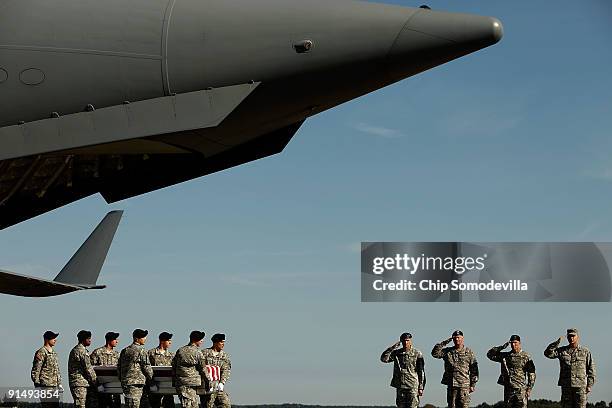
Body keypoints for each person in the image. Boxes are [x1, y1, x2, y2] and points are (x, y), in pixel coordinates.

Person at [544, 328, 596, 408]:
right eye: (569, 336)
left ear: (577, 337)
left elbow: (591, 369)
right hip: (566, 386)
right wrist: (556, 343)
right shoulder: (562, 351)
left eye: (573, 336)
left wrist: (589, 385)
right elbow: (547, 354)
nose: (571, 338)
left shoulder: (585, 351)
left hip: (580, 387)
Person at [431, 330, 478, 408]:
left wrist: (473, 384)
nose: (457, 340)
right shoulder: (447, 352)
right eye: (455, 338)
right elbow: (435, 353)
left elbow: (474, 369)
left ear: (462, 338)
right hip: (451, 385)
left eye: (458, 338)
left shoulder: (469, 352)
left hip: (464, 385)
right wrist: (445, 342)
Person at [487, 335, 536, 408]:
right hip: (508, 390)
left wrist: (529, 388)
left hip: (521, 390)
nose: (513, 345)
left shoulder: (525, 357)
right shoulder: (506, 356)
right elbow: (489, 354)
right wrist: (502, 347)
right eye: (512, 343)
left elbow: (532, 373)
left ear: (519, 343)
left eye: (515, 343)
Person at [380, 332, 426, 408]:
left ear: (410, 341)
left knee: (413, 406)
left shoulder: (417, 353)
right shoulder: (396, 353)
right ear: (401, 341)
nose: (405, 342)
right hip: (400, 385)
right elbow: (384, 359)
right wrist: (392, 348)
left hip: (413, 385)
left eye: (407, 340)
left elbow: (421, 371)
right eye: (404, 341)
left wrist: (421, 387)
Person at [172, 331, 210, 408]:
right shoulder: (198, 352)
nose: (202, 341)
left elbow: (174, 365)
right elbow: (203, 369)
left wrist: (174, 380)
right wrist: (208, 381)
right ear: (197, 340)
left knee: (192, 405)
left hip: (181, 383)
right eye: (201, 339)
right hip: (191, 383)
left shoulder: (180, 350)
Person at [118, 329, 154, 408]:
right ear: (136, 338)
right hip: (136, 383)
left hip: (126, 382)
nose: (145, 339)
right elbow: (146, 366)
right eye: (143, 337)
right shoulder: (141, 350)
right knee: (134, 405)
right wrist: (152, 379)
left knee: (129, 404)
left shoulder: (125, 350)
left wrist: (122, 378)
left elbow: (119, 367)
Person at [31, 331, 63, 408]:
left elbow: (57, 369)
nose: (55, 340)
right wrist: (37, 384)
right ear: (47, 339)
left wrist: (59, 383)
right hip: (45, 386)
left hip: (54, 386)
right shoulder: (41, 352)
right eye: (53, 338)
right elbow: (36, 369)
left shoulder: (54, 353)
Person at [90, 332, 121, 408]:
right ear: (109, 340)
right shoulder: (97, 352)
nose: (117, 341)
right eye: (115, 339)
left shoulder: (117, 354)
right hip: (101, 388)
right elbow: (90, 369)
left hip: (114, 389)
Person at [201, 333, 232, 408]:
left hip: (218, 385)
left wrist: (222, 383)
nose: (223, 344)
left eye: (223, 342)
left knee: (226, 404)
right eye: (221, 342)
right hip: (206, 386)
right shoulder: (204, 353)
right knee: (208, 405)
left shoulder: (224, 356)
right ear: (215, 342)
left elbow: (226, 370)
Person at [68, 330, 97, 408]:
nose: (90, 340)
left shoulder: (77, 349)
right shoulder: (81, 351)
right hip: (79, 383)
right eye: (88, 338)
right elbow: (88, 368)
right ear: (84, 339)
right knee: (80, 406)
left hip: (79, 383)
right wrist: (96, 382)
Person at [147, 332, 175, 408]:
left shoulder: (172, 355)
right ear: (162, 341)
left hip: (168, 386)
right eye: (168, 340)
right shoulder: (151, 353)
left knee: (169, 405)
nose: (170, 342)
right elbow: (146, 368)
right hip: (155, 385)